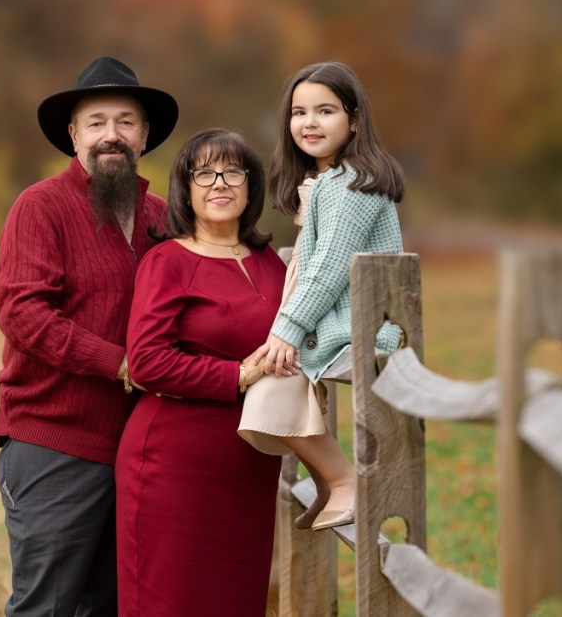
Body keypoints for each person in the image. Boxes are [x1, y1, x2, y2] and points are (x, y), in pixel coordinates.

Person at [0, 56, 178, 616]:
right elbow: (24, 315)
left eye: (125, 121)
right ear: (73, 136)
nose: (111, 135)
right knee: (47, 607)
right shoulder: (40, 207)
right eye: (96, 122)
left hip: (138, 448)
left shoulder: (163, 218)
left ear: (144, 136)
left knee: (112, 606)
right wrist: (123, 364)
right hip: (54, 441)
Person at [117, 128, 287, 617]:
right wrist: (234, 375)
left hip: (248, 466)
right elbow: (147, 360)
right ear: (185, 189)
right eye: (204, 172)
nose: (220, 183)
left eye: (233, 171)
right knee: (170, 601)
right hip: (173, 466)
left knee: (237, 597)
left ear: (250, 185)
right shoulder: (167, 261)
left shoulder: (269, 261)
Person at [238, 61, 405, 531]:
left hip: (364, 322)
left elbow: (327, 269)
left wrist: (287, 331)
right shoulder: (327, 182)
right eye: (299, 112)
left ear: (353, 120)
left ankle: (344, 481)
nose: (308, 123)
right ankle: (333, 483)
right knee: (270, 381)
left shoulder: (352, 183)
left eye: (325, 111)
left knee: (272, 380)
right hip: (339, 318)